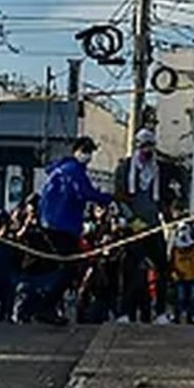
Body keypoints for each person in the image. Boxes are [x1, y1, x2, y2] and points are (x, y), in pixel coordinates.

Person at [34, 136, 113, 325]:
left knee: (62, 266)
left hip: (51, 223)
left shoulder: (60, 170)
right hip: (62, 225)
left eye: (90, 151)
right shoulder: (73, 170)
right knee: (70, 268)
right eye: (85, 150)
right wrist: (109, 198)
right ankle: (46, 306)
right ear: (76, 150)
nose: (88, 155)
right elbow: (85, 192)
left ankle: (47, 305)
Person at [112, 128, 176, 324]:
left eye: (150, 146)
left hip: (154, 225)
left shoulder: (159, 170)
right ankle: (124, 312)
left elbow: (163, 198)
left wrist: (168, 215)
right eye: (144, 146)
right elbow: (119, 197)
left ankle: (160, 312)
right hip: (134, 227)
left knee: (162, 268)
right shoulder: (125, 168)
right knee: (130, 270)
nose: (147, 150)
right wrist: (132, 220)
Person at [169, 223, 194, 324]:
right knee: (180, 298)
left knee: (192, 299)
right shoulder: (174, 248)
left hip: (193, 275)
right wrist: (176, 271)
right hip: (179, 277)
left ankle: (190, 317)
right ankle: (177, 317)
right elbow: (171, 261)